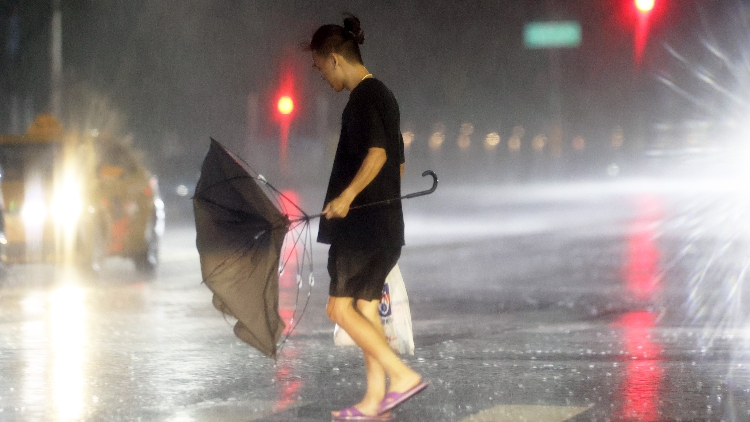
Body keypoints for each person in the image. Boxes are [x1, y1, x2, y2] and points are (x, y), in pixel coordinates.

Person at [306, 14, 428, 420]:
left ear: (336, 59)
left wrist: (346, 197)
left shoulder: (365, 98)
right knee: (365, 308)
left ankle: (401, 376)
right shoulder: (384, 96)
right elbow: (397, 165)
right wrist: (377, 197)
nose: (321, 76)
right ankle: (374, 402)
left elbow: (378, 154)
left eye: (320, 67)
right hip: (385, 229)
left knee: (339, 310)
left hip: (361, 231)